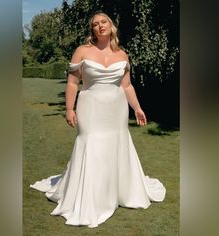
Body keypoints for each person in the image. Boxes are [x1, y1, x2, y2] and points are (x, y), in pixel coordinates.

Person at [30, 12, 166, 228]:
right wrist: (69, 108)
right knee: (90, 143)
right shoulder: (82, 51)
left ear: (111, 26)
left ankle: (116, 192)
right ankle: (91, 197)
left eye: (104, 22)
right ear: (92, 30)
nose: (100, 26)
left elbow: (127, 85)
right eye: (95, 24)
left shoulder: (122, 54)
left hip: (116, 108)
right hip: (90, 106)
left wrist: (137, 108)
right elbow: (73, 83)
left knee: (115, 145)